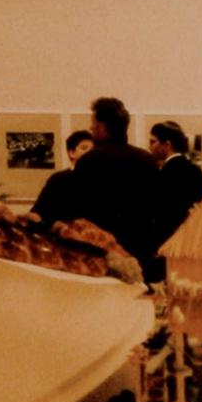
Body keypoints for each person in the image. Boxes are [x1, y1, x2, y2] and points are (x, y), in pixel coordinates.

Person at [71, 97, 161, 273]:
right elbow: (155, 207)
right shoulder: (147, 161)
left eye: (94, 123)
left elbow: (79, 210)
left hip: (99, 249)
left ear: (103, 127)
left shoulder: (89, 162)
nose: (91, 128)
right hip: (139, 248)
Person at [147, 120, 202, 280]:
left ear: (167, 144)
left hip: (164, 241)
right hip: (190, 241)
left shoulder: (162, 174)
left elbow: (156, 211)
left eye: (153, 142)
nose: (150, 147)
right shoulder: (196, 171)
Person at [29, 130, 93, 225]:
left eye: (93, 149)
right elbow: (39, 211)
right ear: (72, 153)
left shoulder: (99, 179)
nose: (90, 153)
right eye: (84, 148)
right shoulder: (58, 179)